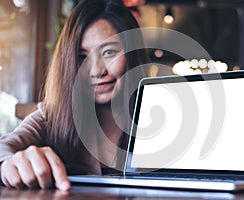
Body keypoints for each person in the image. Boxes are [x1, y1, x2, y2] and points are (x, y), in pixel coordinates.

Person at [0, 0, 149, 191]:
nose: (96, 71)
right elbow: (4, 148)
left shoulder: (159, 114)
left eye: (109, 52)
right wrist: (9, 164)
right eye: (82, 56)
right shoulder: (51, 115)